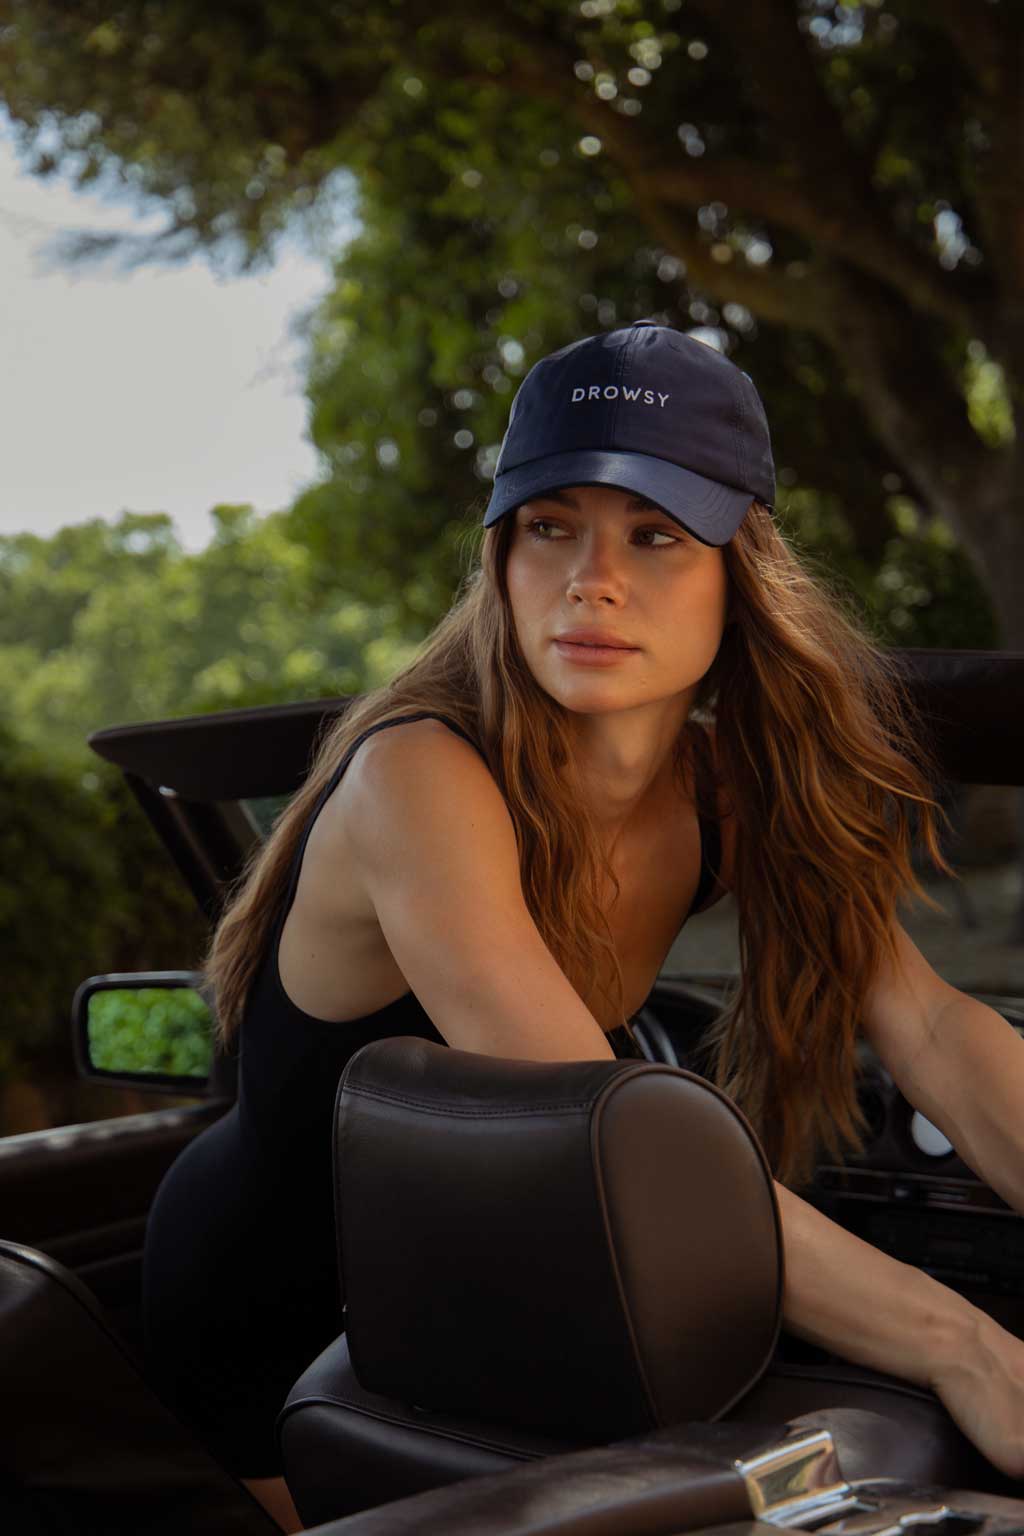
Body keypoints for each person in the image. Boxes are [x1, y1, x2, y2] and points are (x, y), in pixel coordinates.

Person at [142, 321, 1024, 1531]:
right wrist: (960, 1342)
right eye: (548, 527)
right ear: (500, 560)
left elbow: (925, 1021)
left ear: (739, 569)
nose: (589, 579)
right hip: (284, 1324)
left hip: (509, 1306)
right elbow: (604, 1138)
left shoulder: (731, 790)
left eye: (654, 535)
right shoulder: (421, 777)